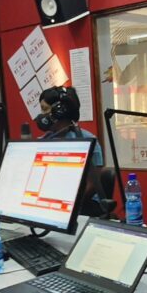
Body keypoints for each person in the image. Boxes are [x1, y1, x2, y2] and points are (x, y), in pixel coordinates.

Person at [35, 86, 107, 216]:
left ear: (59, 111)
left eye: (45, 109)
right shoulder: (42, 142)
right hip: (50, 204)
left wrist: (64, 207)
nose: (41, 114)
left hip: (83, 204)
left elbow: (91, 184)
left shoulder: (88, 141)